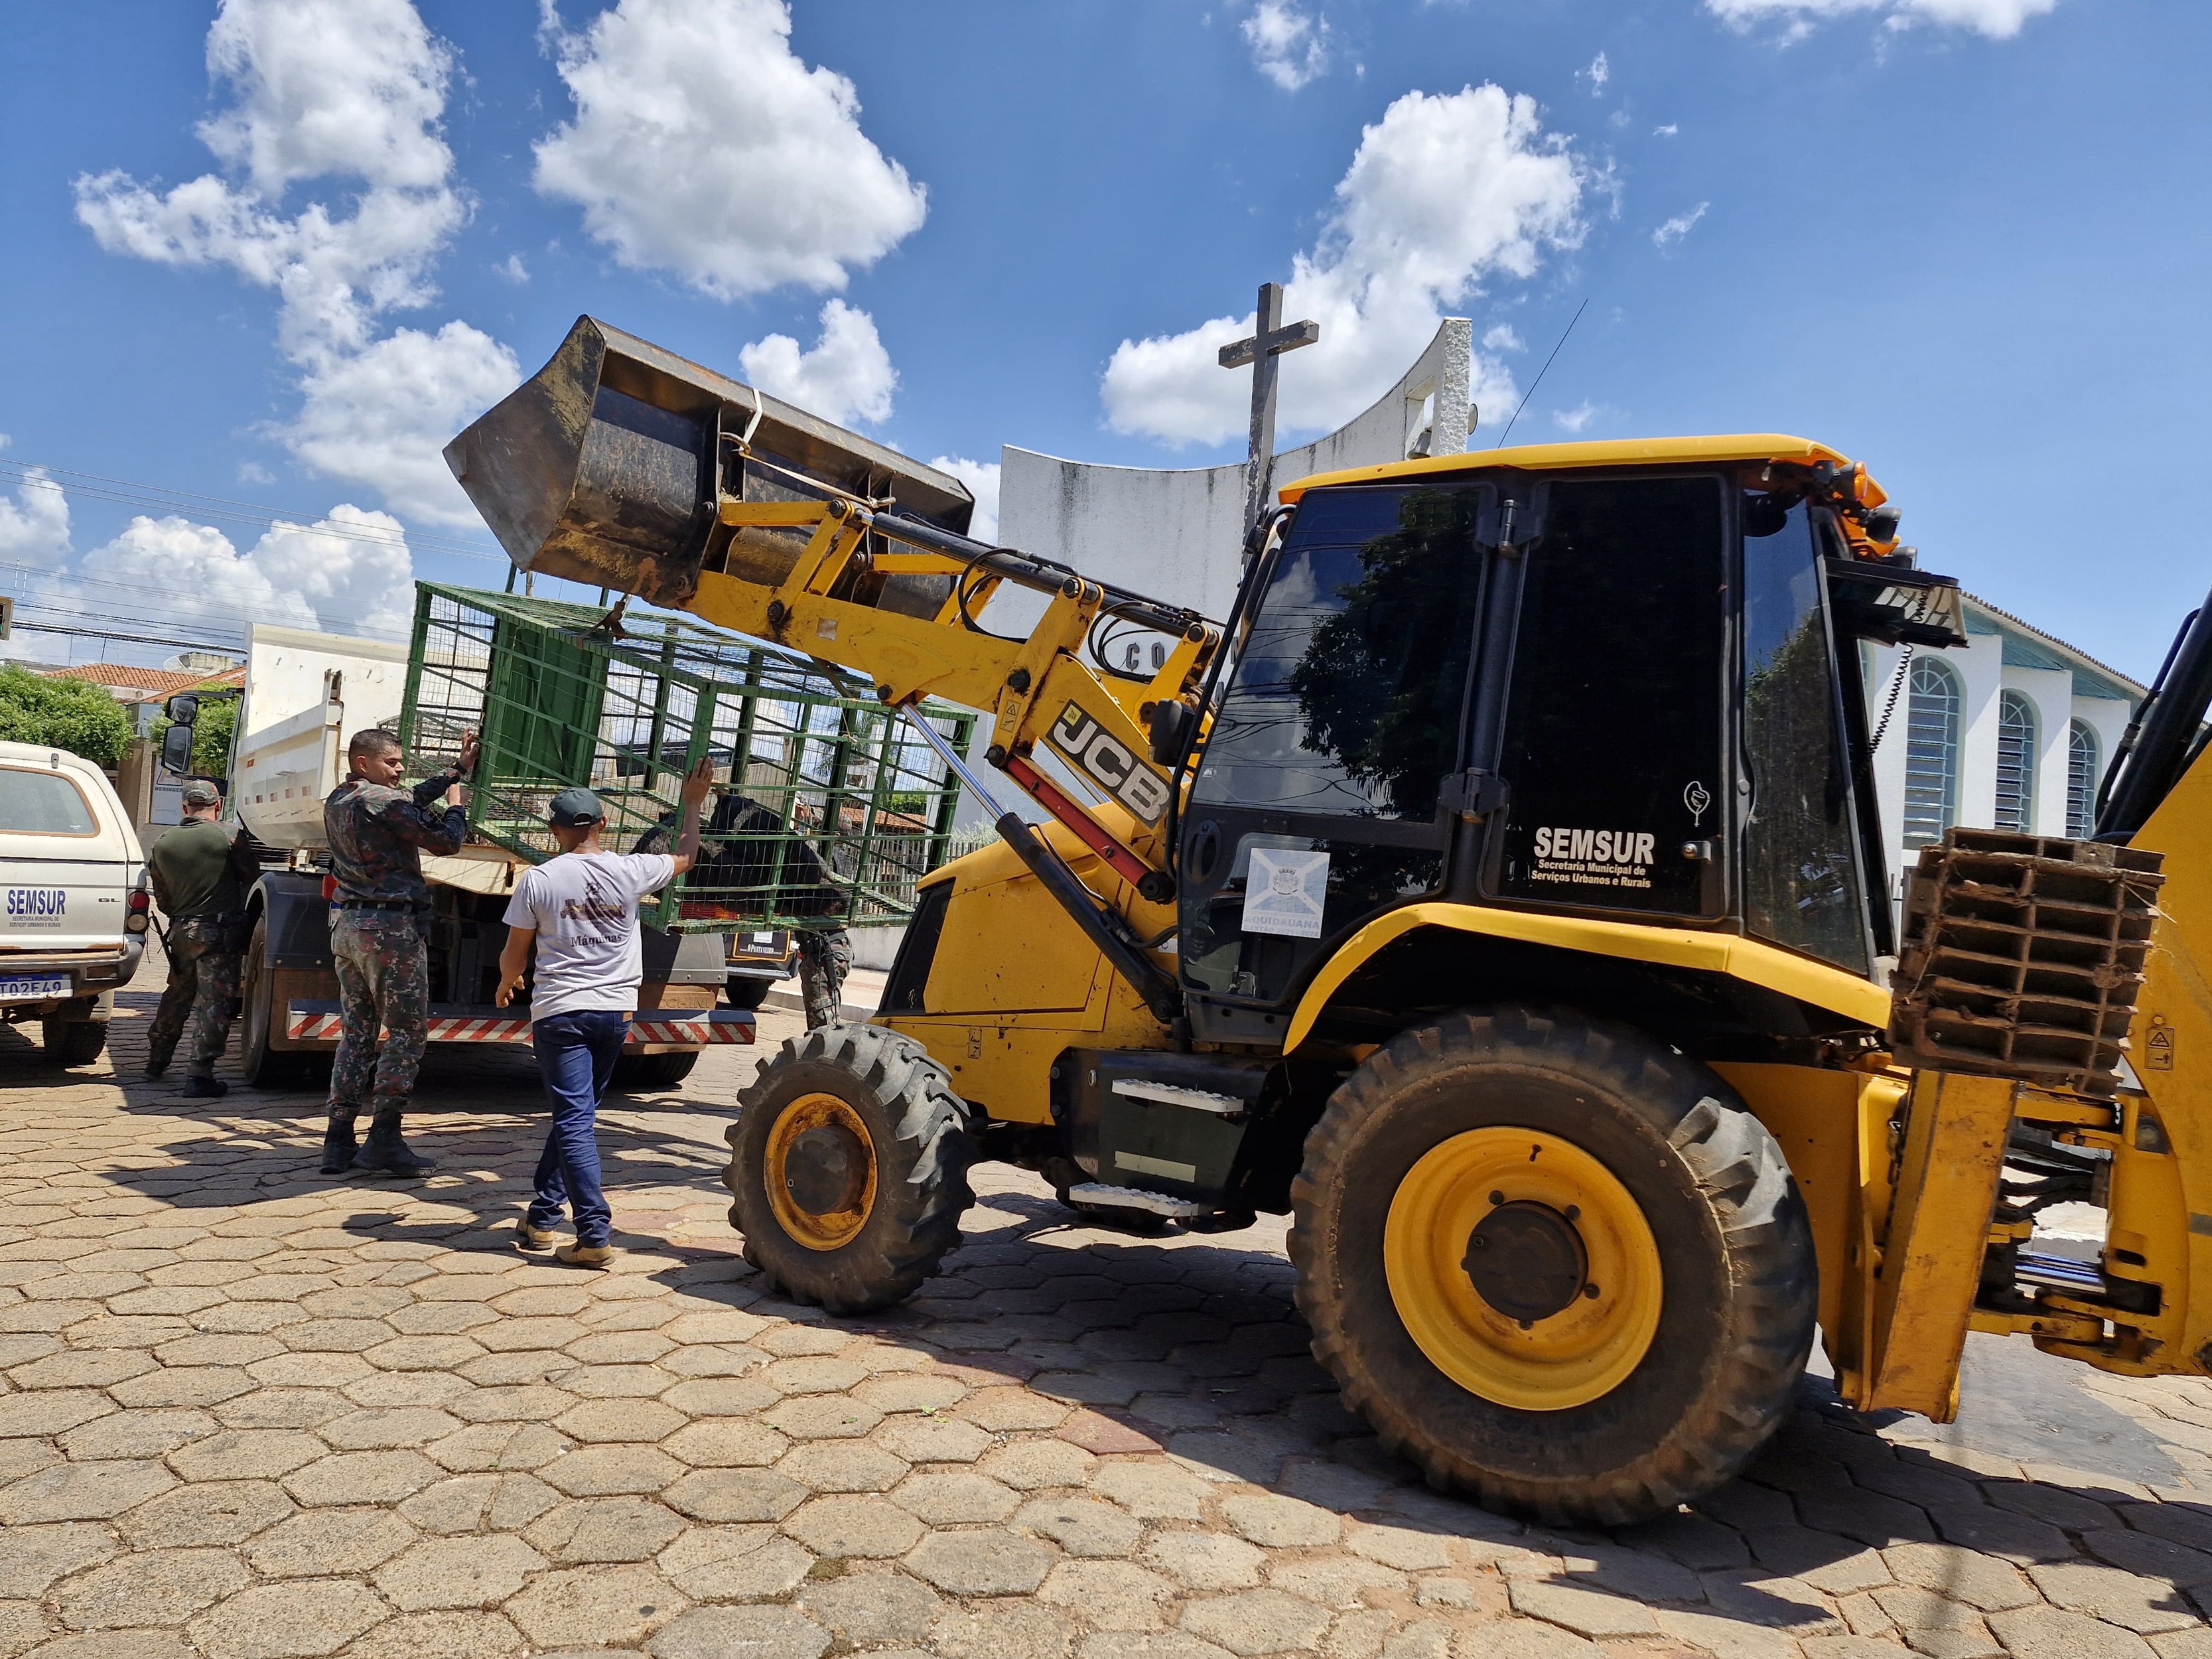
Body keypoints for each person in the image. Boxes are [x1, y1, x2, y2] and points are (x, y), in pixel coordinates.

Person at [496, 759, 711, 1267]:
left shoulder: (539, 880)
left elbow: (515, 951)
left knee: (573, 1120)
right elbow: (686, 855)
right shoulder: (630, 870)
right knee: (577, 1115)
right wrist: (694, 803)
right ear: (603, 825)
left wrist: (508, 980)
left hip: (561, 1014)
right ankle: (543, 1218)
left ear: (554, 831)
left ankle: (594, 1233)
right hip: (614, 1013)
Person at [321, 726, 479, 1178]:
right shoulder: (385, 802)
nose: (400, 769)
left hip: (349, 924)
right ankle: (385, 1137)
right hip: (390, 929)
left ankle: (338, 1141)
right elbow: (445, 842)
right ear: (363, 763)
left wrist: (456, 769)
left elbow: (409, 801)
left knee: (357, 1033)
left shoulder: (340, 798)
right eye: (392, 762)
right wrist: (457, 809)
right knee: (407, 1033)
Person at [145, 780, 255, 1097]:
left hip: (181, 931)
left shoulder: (164, 843)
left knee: (177, 995)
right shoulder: (229, 836)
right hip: (218, 934)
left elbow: (162, 898)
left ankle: (157, 1060)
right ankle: (199, 1075)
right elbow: (251, 875)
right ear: (217, 805)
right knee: (214, 1003)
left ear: (184, 808)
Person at [795, 924, 852, 1028]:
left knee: (824, 1023)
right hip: (829, 949)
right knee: (824, 1015)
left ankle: (827, 1043)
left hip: (825, 953)